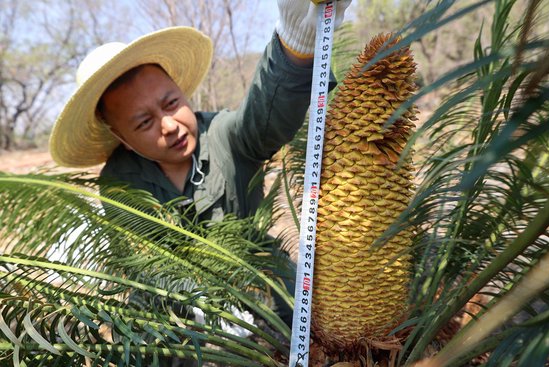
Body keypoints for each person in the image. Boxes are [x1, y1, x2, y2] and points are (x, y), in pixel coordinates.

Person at [49, 0, 350, 363]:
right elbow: (144, 263)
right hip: (167, 296)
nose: (170, 125)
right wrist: (204, 302)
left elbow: (265, 116)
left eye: (171, 103)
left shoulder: (224, 135)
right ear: (122, 136)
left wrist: (297, 42)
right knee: (149, 345)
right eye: (144, 123)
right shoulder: (119, 182)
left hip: (257, 269)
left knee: (310, 323)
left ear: (182, 91)